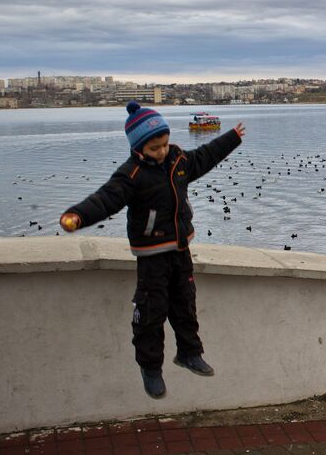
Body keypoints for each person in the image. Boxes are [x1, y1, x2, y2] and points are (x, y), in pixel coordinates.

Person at [59, 101, 246, 399]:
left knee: (185, 305)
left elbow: (206, 157)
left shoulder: (178, 160)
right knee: (150, 313)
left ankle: (189, 352)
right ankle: (150, 368)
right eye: (154, 148)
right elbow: (105, 199)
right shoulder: (131, 175)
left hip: (181, 249)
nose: (161, 151)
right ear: (138, 148)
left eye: (164, 143)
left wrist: (232, 138)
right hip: (152, 256)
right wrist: (78, 216)